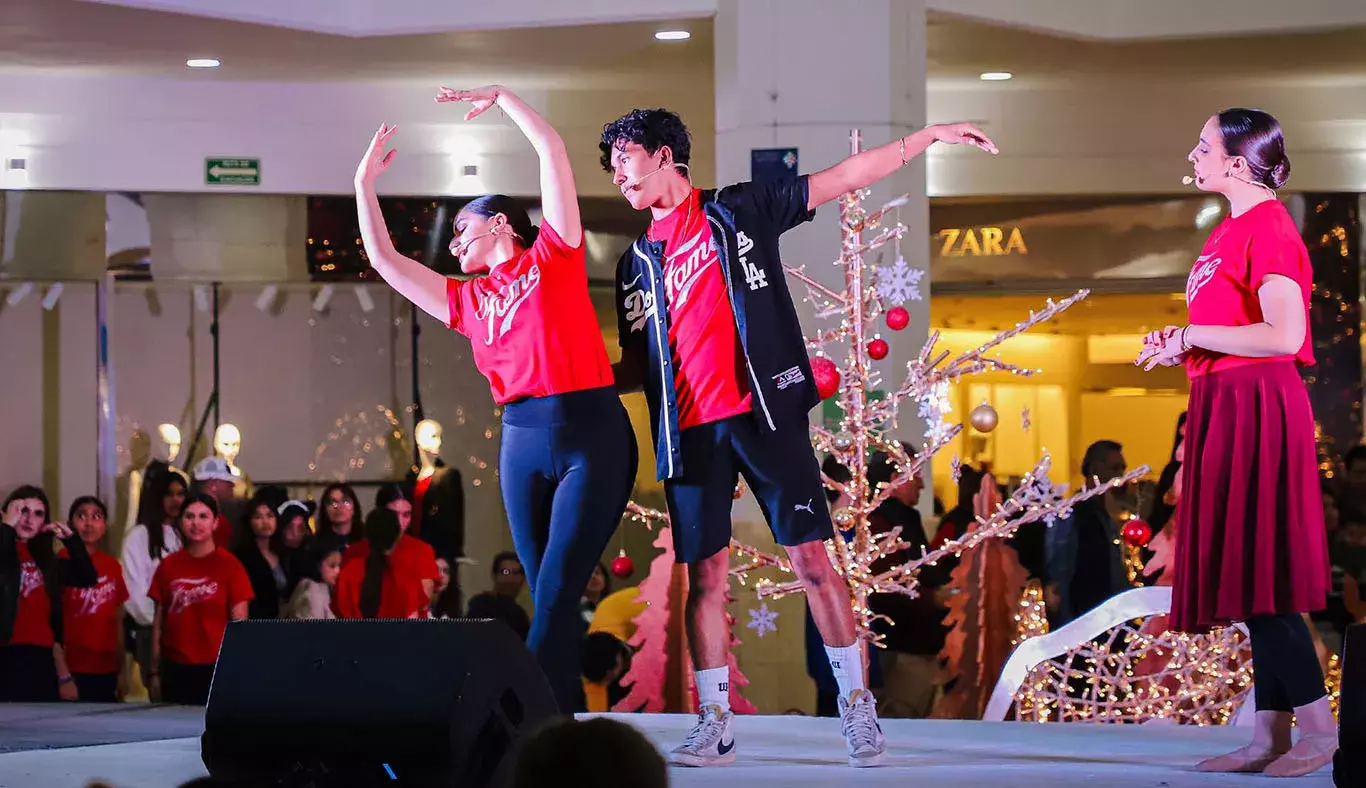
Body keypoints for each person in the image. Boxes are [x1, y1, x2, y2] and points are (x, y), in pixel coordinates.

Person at [599, 107, 996, 767]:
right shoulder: (635, 262)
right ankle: (715, 724)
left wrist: (923, 138)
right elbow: (638, 367)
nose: (618, 176)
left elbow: (842, 177)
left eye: (625, 160)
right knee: (704, 578)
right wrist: (565, 384)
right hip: (689, 432)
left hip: (765, 415)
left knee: (814, 563)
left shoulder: (739, 209)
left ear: (665, 153)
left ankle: (858, 712)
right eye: (611, 168)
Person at [354, 83, 637, 714]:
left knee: (560, 593)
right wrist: (363, 185)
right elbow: (384, 258)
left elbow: (552, 149)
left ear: (501, 222)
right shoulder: (464, 300)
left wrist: (505, 98)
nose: (453, 244)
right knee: (549, 598)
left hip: (591, 430)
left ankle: (509, 718)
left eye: (462, 228)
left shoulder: (555, 253)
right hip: (521, 440)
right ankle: (558, 731)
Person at [1136, 108, 1334, 777]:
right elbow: (1230, 328)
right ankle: (1269, 736)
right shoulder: (1230, 231)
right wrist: (1180, 344)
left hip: (1259, 404)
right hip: (1227, 401)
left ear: (1238, 162)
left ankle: (1321, 732)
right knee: (1254, 578)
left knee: (1268, 578)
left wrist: (1193, 337)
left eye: (1203, 146)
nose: (1192, 155)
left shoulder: (1270, 227)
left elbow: (1283, 336)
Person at [148, 493, 253, 705]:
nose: (196, 523)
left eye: (203, 516)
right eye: (189, 516)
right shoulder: (168, 566)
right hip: (175, 667)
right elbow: (159, 622)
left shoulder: (231, 567)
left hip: (217, 669)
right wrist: (154, 672)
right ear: (181, 522)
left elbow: (240, 627)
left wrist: (237, 672)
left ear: (215, 523)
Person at [0, 486, 98, 702]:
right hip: (6, 653)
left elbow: (87, 578)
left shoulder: (48, 561)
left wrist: (72, 542)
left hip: (41, 657)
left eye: (38, 514)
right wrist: (6, 527)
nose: (28, 519)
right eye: (22, 510)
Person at [60, 497, 130, 703]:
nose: (89, 523)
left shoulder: (112, 566)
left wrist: (122, 670)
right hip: (71, 667)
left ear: (105, 525)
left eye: (96, 517)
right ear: (70, 524)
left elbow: (117, 621)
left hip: (106, 667)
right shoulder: (60, 563)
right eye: (81, 516)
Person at [334, 509, 429, 620]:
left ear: (367, 535)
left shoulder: (349, 571)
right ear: (398, 536)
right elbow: (415, 623)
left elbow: (339, 616)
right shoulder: (407, 573)